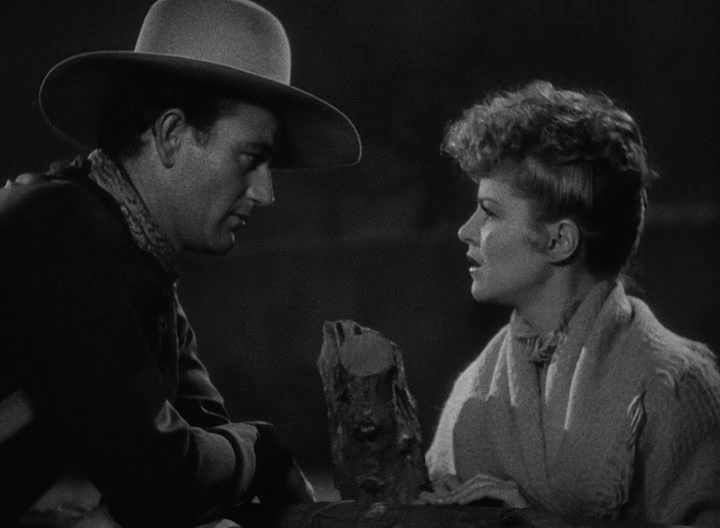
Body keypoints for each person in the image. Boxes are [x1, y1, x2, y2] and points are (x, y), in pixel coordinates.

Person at [0, 0, 360, 527]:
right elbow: (157, 478)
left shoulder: (134, 261)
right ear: (171, 135)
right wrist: (259, 451)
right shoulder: (59, 234)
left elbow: (202, 451)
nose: (265, 193)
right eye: (251, 158)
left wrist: (253, 455)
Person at [418, 81, 720, 526]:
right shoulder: (473, 391)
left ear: (559, 240)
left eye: (490, 211)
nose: (466, 230)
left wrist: (536, 522)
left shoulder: (675, 386)